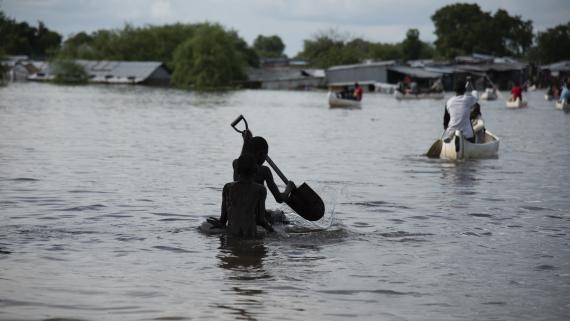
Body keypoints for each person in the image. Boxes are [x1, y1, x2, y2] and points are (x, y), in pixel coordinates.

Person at [233, 130, 295, 223]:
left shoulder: (236, 164)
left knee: (270, 212)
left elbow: (242, 158)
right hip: (257, 218)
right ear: (261, 154)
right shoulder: (264, 171)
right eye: (265, 155)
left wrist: (246, 142)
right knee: (283, 217)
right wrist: (288, 189)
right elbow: (279, 199)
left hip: (238, 215)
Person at [219, 154, 274, 238]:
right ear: (255, 170)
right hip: (250, 235)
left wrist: (219, 224)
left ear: (237, 170)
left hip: (232, 235)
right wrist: (273, 231)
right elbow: (260, 219)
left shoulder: (228, 187)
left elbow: (223, 219)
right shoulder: (260, 189)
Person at [443, 79, 479, 143]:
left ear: (455, 90)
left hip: (451, 132)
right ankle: (470, 143)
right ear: (464, 90)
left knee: (450, 129)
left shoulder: (448, 102)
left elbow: (445, 121)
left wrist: (446, 128)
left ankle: (450, 139)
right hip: (467, 134)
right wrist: (473, 89)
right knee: (473, 133)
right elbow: (476, 97)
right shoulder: (468, 99)